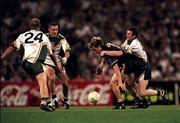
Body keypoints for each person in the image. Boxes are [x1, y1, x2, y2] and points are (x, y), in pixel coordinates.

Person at [1, 18, 62, 112]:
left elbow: (12, 46)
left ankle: (46, 101)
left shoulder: (23, 35)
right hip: (35, 62)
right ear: (39, 26)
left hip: (25, 64)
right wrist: (57, 66)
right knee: (43, 80)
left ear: (30, 26)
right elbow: (51, 55)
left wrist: (2, 57)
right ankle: (44, 102)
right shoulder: (43, 36)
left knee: (42, 76)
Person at [100, 26, 169, 108]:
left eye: (129, 34)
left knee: (142, 93)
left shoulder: (133, 44)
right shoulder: (128, 41)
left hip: (144, 68)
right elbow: (119, 51)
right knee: (128, 85)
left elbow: (119, 53)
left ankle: (162, 92)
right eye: (127, 33)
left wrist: (105, 52)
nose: (126, 35)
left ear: (134, 36)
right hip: (136, 67)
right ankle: (140, 102)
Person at [88, 36, 126, 109]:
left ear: (99, 46)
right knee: (131, 84)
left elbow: (116, 68)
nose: (95, 52)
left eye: (95, 50)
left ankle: (121, 103)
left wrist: (120, 82)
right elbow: (104, 57)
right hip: (127, 64)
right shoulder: (105, 46)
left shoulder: (108, 52)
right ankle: (140, 100)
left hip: (126, 66)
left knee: (112, 83)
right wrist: (101, 66)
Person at [44, 22, 71, 109]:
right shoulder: (44, 37)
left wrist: (65, 58)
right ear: (49, 30)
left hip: (58, 63)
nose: (55, 31)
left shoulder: (61, 38)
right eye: (53, 30)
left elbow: (67, 50)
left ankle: (65, 100)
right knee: (52, 78)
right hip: (48, 61)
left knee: (65, 83)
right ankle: (54, 98)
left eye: (56, 29)